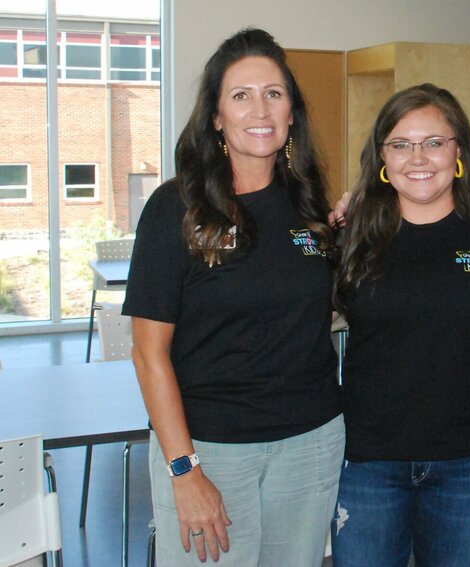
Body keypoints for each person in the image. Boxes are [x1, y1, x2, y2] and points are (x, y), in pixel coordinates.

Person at [123, 28, 344, 566]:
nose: (260, 108)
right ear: (217, 116)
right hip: (210, 450)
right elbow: (148, 352)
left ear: (292, 111)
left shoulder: (311, 207)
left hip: (310, 444)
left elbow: (324, 310)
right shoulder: (176, 207)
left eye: (274, 93)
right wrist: (184, 469)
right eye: (241, 95)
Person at [330, 83, 470, 567]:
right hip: (369, 460)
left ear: (459, 150)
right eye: (400, 144)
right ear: (382, 156)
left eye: (434, 142)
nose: (418, 157)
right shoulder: (351, 234)